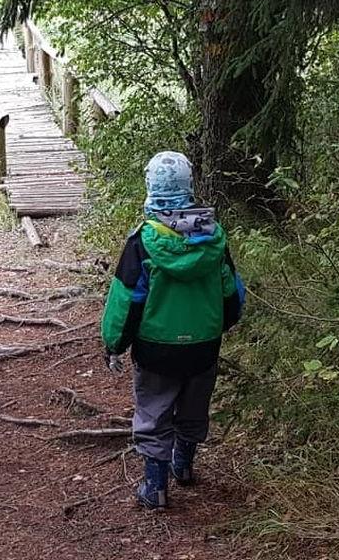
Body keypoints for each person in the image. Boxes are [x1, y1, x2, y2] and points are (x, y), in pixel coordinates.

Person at [101, 150, 245, 510]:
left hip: (155, 349)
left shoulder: (142, 242)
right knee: (194, 406)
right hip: (204, 346)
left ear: (150, 187)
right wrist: (218, 326)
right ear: (190, 187)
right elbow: (231, 292)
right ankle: (184, 466)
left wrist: (114, 343)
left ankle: (155, 487)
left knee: (153, 412)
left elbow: (125, 299)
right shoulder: (213, 238)